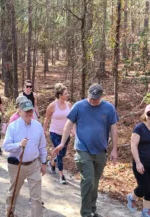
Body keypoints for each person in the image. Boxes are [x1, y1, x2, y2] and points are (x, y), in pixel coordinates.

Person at [52, 83, 119, 217]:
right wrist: (62, 143)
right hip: (83, 149)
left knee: (94, 182)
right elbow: (68, 124)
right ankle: (86, 213)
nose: (93, 101)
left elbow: (113, 128)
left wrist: (115, 149)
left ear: (101, 96)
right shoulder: (79, 106)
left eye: (96, 98)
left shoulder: (108, 108)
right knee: (88, 180)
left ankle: (92, 209)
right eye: (91, 98)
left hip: (100, 151)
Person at [3, 99, 47, 217]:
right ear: (20, 111)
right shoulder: (12, 126)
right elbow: (6, 146)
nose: (29, 113)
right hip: (17, 165)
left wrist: (43, 163)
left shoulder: (38, 126)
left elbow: (42, 146)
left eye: (31, 110)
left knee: (36, 197)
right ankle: (9, 213)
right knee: (14, 193)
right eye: (26, 111)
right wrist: (18, 144)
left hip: (33, 165)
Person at [43, 83, 72, 184]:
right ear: (60, 95)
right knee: (59, 153)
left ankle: (52, 164)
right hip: (54, 132)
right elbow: (46, 120)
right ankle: (62, 176)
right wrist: (43, 132)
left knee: (62, 153)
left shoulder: (69, 105)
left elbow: (72, 120)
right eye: (66, 93)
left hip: (65, 134)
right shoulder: (52, 106)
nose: (68, 95)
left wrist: (73, 130)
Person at [126, 105, 150, 217]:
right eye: (149, 113)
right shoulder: (139, 128)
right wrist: (138, 162)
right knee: (144, 186)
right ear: (145, 114)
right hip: (141, 163)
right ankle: (132, 197)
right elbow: (133, 145)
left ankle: (146, 211)